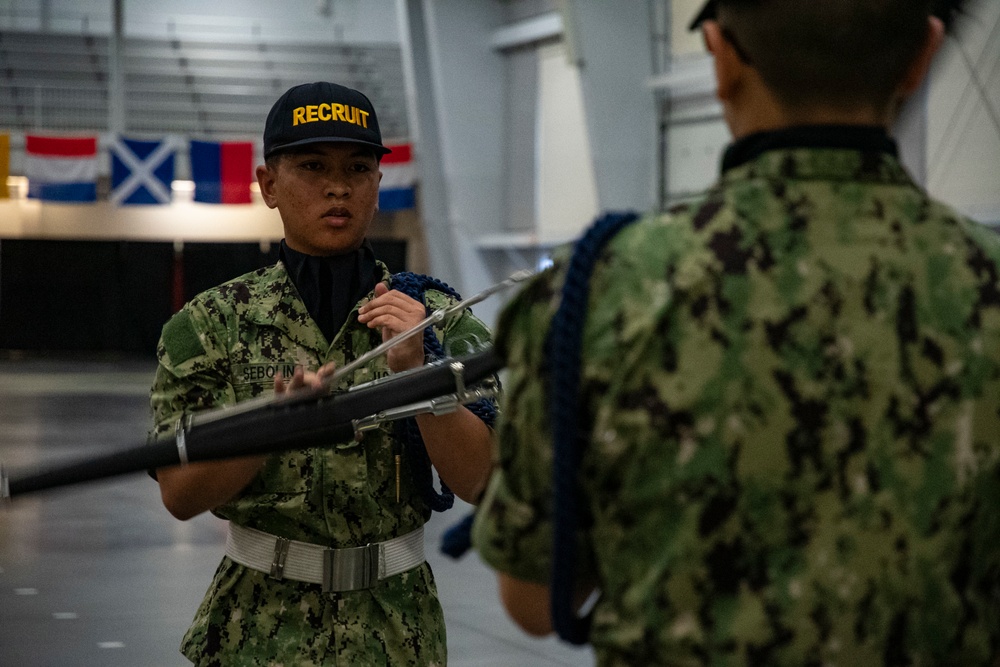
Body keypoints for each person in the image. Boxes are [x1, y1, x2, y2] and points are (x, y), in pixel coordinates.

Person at [472, 0, 1000, 664]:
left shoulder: (605, 288)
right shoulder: (986, 282)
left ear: (722, 61)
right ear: (923, 55)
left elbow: (534, 599)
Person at [148, 81, 495, 666]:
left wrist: (421, 374)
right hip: (255, 630)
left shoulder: (437, 317)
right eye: (313, 166)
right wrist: (270, 431)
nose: (338, 187)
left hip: (396, 633)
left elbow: (484, 482)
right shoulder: (210, 324)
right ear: (269, 185)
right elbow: (180, 496)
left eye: (358, 168)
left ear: (377, 184)